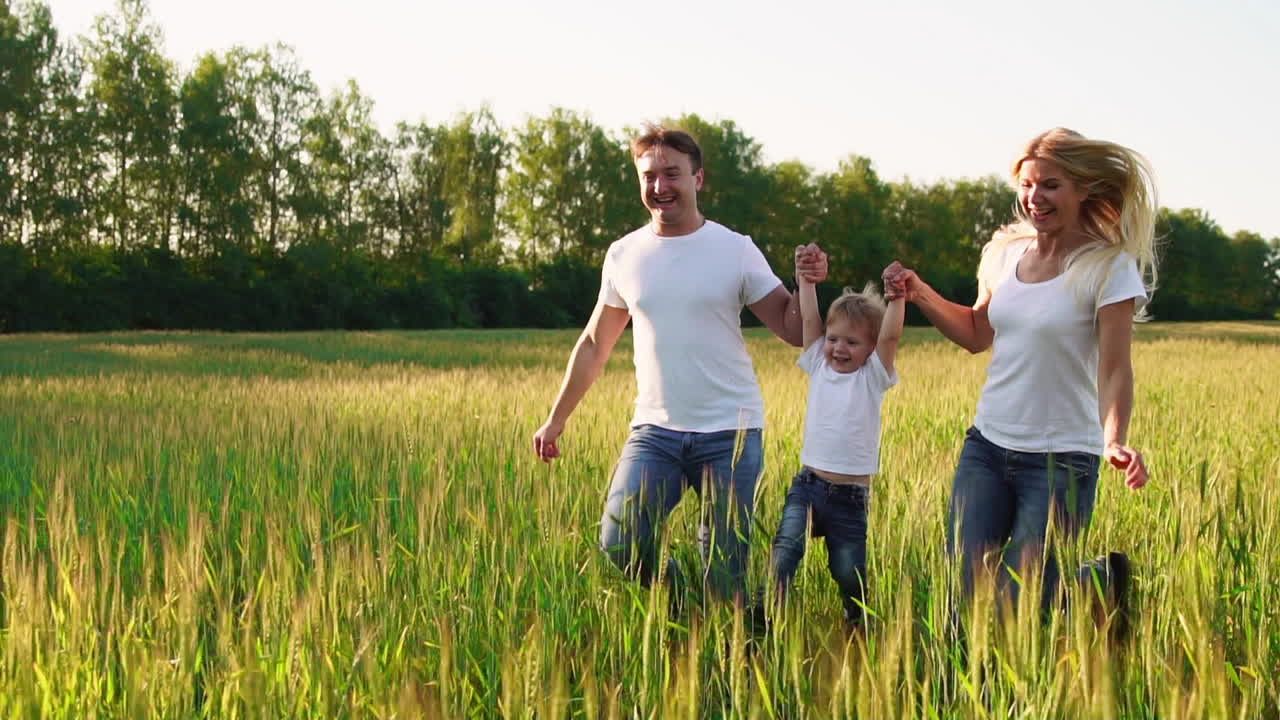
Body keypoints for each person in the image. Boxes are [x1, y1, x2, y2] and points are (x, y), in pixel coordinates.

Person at [532, 124, 827, 611]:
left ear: (698, 179)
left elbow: (794, 330)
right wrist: (556, 418)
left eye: (672, 174)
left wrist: (807, 282)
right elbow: (593, 343)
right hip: (655, 431)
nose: (660, 186)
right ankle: (679, 599)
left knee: (726, 572)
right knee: (619, 542)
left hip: (730, 433)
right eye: (649, 176)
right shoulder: (624, 254)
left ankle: (725, 649)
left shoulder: (735, 248)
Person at [884, 127, 1156, 629]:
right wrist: (920, 293)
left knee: (1016, 600)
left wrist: (1116, 439)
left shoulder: (1108, 267)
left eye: (1051, 185)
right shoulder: (1006, 254)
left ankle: (1097, 582)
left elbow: (1115, 367)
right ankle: (1090, 588)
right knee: (968, 592)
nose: (1036, 197)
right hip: (987, 448)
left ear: (1082, 190)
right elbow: (975, 333)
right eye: (1028, 185)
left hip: (1062, 461)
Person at [769, 250, 905, 629]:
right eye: (834, 339)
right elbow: (810, 319)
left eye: (852, 343)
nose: (839, 348)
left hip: (850, 498)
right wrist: (807, 283)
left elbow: (892, 334)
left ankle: (856, 615)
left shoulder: (873, 377)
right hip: (808, 485)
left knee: (848, 570)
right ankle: (767, 615)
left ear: (871, 348)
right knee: (784, 553)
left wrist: (897, 299)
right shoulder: (818, 363)